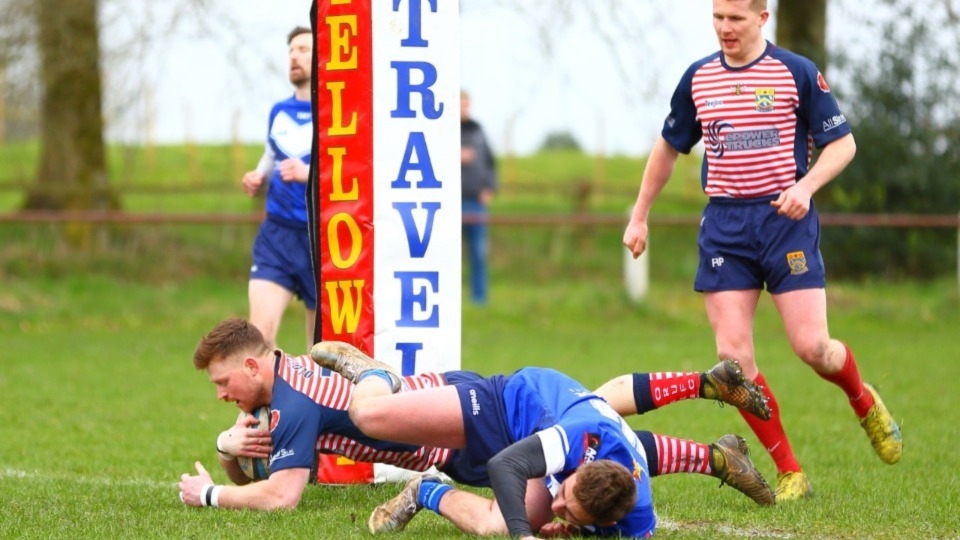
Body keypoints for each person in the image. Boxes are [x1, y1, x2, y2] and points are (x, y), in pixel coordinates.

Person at [621, 0, 902, 502]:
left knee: (813, 348)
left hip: (785, 222)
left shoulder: (795, 72)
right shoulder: (698, 79)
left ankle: (864, 402)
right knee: (732, 358)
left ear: (761, 18)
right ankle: (790, 471)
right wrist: (640, 214)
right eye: (717, 18)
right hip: (725, 226)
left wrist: (806, 187)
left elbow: (843, 145)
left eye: (735, 19)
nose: (724, 29)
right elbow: (668, 146)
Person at [178, 318, 774, 513]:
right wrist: (230, 449)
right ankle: (716, 451)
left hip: (454, 424)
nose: (221, 394)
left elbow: (281, 497)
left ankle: (375, 377)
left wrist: (207, 497)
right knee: (594, 438)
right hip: (455, 429)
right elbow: (257, 480)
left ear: (254, 368)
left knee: (579, 440)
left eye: (223, 382)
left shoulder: (294, 402)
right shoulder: (278, 394)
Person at [310, 342, 774, 538]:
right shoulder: (580, 440)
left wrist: (572, 528)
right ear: (577, 468)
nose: (558, 506)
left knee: (493, 523)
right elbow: (505, 467)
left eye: (570, 509)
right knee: (367, 415)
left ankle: (423, 491)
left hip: (563, 429)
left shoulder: (637, 517)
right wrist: (525, 535)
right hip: (511, 403)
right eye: (565, 497)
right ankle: (373, 372)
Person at [240, 26, 316, 351]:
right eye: (291, 51)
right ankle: (256, 404)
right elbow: (272, 152)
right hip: (277, 234)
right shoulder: (279, 110)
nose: (294, 56)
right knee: (260, 338)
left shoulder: (337, 114)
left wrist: (308, 174)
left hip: (322, 239)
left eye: (303, 49)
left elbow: (350, 172)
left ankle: (314, 402)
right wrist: (258, 175)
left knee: (323, 353)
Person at [460, 90, 498, 305]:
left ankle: (479, 300)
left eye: (466, 105)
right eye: (460, 105)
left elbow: (491, 164)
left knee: (479, 253)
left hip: (476, 202)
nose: (464, 109)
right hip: (450, 205)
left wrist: (489, 188)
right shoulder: (442, 131)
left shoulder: (478, 132)